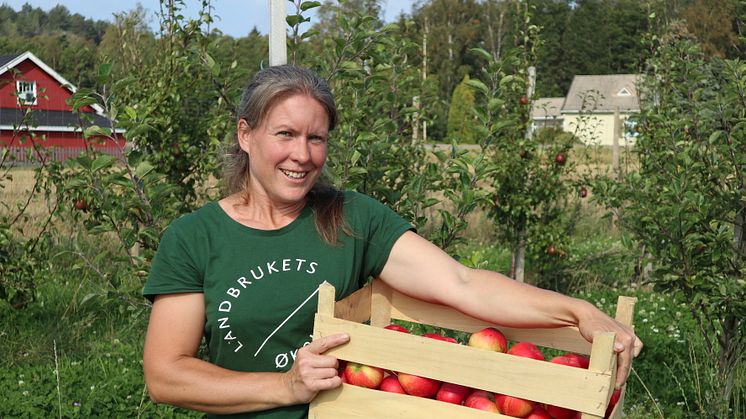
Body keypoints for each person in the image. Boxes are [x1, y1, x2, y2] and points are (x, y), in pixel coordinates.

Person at [142, 65, 642, 419]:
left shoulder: (353, 219)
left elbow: (463, 283)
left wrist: (577, 312)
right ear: (246, 135)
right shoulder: (195, 238)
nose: (302, 154)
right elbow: (166, 375)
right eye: (286, 134)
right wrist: (285, 387)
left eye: (316, 138)